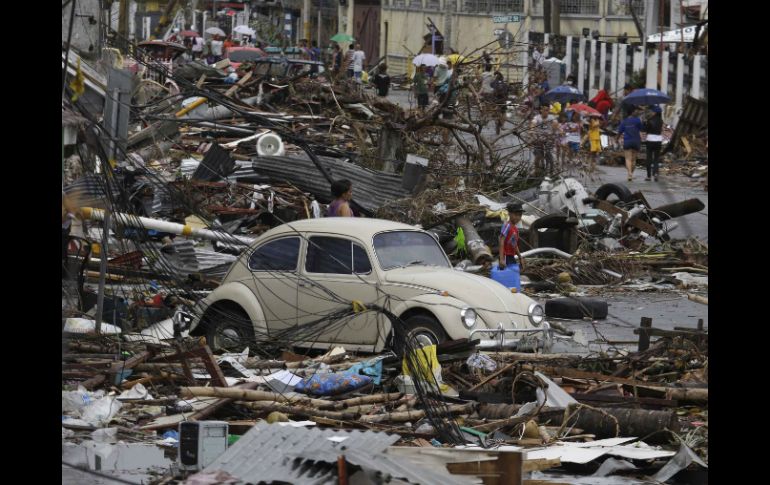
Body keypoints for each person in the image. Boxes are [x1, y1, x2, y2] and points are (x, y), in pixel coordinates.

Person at [617, 108, 644, 182]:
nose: (636, 111)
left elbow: (619, 132)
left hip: (627, 141)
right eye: (635, 110)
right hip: (636, 141)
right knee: (634, 159)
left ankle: (629, 174)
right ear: (632, 112)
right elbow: (642, 129)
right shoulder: (638, 120)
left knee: (628, 159)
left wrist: (616, 139)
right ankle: (631, 173)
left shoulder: (624, 121)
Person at [531, 104, 559, 174]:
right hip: (538, 138)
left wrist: (554, 130)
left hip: (549, 138)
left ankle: (551, 170)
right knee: (538, 155)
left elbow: (555, 124)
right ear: (541, 110)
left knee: (549, 153)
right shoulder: (537, 117)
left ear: (549, 110)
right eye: (544, 110)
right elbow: (533, 124)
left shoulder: (551, 117)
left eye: (547, 110)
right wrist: (531, 130)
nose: (545, 112)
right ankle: (536, 169)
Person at [498, 202, 525, 272]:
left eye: (520, 215)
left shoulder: (515, 229)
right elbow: (501, 241)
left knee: (513, 272)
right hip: (505, 256)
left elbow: (514, 244)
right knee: (507, 274)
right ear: (509, 214)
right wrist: (501, 259)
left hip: (510, 256)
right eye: (515, 215)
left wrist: (520, 257)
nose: (518, 217)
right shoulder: (507, 226)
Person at [644, 105, 664, 182]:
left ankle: (648, 176)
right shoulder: (661, 121)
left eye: (652, 111)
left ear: (655, 112)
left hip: (650, 140)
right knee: (656, 159)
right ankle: (655, 174)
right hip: (658, 140)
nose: (651, 112)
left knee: (649, 158)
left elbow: (645, 130)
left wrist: (645, 123)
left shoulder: (649, 120)